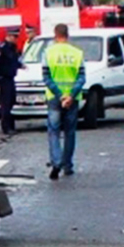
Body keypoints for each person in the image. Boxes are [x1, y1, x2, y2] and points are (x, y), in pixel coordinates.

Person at [43, 23, 86, 180]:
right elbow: (82, 78)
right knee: (70, 132)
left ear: (55, 35)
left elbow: (46, 77)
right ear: (68, 35)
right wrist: (70, 96)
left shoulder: (48, 53)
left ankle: (56, 162)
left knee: (53, 131)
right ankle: (67, 165)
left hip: (54, 98)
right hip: (72, 99)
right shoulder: (77, 53)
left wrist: (60, 95)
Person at [0, 28, 25, 136]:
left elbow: (13, 62)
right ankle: (7, 127)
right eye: (15, 37)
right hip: (4, 79)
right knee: (6, 103)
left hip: (11, 78)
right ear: (9, 36)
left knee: (11, 101)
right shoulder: (2, 49)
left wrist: (21, 66)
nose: (16, 39)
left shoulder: (13, 48)